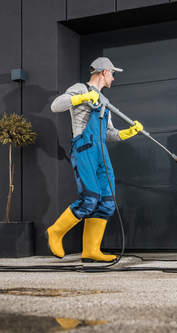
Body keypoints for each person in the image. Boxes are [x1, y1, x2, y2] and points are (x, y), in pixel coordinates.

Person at [46, 57, 143, 262]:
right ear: (104, 72)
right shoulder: (81, 88)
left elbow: (108, 133)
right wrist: (81, 98)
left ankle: (91, 250)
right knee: (90, 198)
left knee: (107, 202)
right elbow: (56, 105)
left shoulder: (104, 102)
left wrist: (127, 133)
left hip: (101, 151)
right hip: (85, 148)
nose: (114, 78)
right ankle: (55, 231)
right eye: (113, 74)